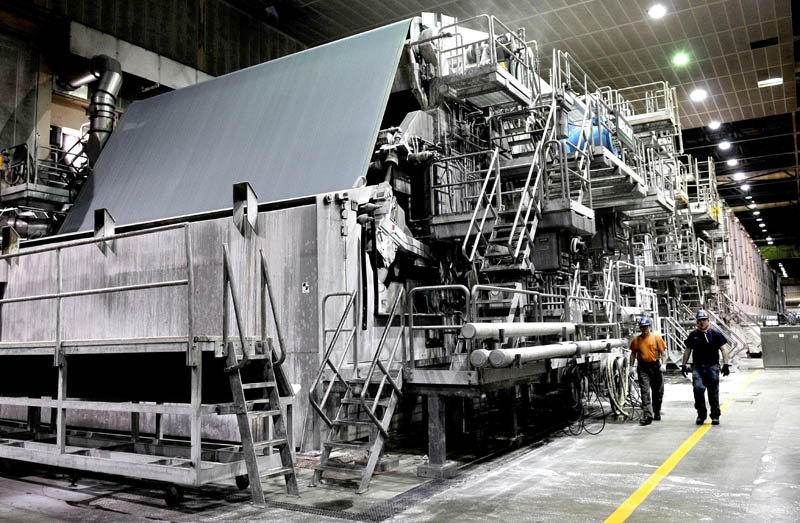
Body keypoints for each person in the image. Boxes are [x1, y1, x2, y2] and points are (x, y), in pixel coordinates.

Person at [681, 309, 730, 426]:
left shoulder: (715, 334)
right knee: (698, 389)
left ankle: (715, 416)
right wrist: (683, 365)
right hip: (697, 367)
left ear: (708, 321)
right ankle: (701, 414)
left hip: (712, 367)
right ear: (696, 322)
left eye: (704, 320)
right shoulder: (693, 335)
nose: (702, 323)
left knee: (713, 392)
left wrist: (726, 364)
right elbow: (687, 350)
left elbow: (724, 349)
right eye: (699, 320)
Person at [629, 317, 667, 425]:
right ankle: (648, 415)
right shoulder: (636, 340)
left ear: (649, 327)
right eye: (642, 327)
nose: (644, 329)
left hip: (655, 367)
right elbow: (633, 354)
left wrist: (664, 364)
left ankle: (657, 411)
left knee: (658, 392)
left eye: (646, 327)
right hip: (643, 368)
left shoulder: (657, 338)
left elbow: (664, 353)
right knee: (645, 391)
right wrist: (631, 367)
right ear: (640, 328)